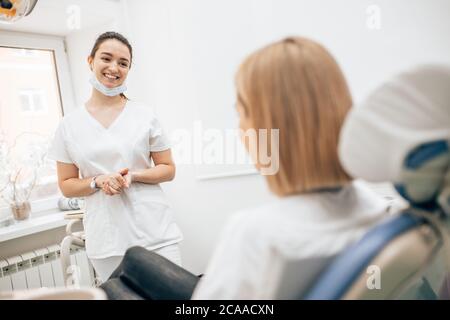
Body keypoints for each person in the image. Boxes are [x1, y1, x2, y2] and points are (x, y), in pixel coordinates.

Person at [103, 36, 390, 299]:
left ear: (268, 128)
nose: (241, 130)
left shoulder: (257, 232)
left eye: (242, 113)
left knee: (114, 287)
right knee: (134, 259)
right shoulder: (376, 207)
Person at [48, 31, 183, 283]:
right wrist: (97, 181)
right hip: (107, 240)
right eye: (106, 59)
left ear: (129, 69)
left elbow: (168, 168)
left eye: (123, 63)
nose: (114, 68)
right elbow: (66, 185)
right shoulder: (69, 125)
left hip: (155, 233)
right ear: (90, 61)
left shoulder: (144, 115)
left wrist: (134, 175)